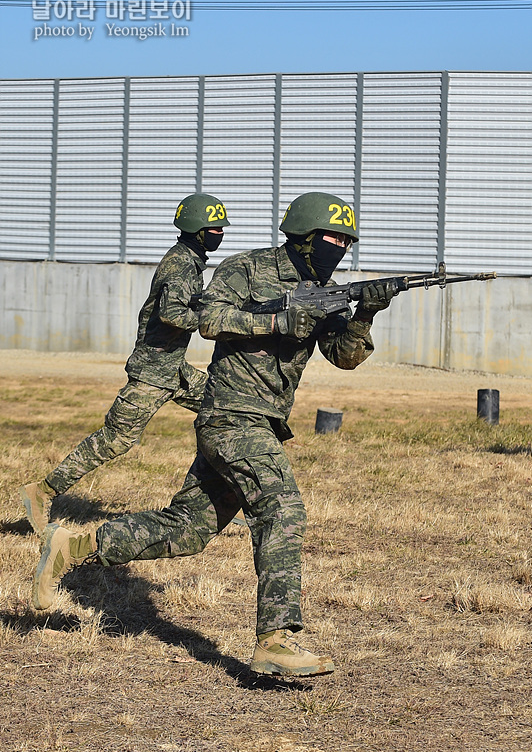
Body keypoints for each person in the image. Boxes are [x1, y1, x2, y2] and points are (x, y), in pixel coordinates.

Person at [31, 192, 395, 678]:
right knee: (281, 508)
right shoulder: (248, 269)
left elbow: (344, 356)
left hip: (261, 421)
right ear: (305, 238)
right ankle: (277, 640)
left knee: (187, 529)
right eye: (333, 238)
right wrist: (276, 320)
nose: (341, 249)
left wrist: (366, 314)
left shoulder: (324, 290)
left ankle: (71, 547)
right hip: (230, 415)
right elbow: (206, 319)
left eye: (347, 242)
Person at [21, 193, 229, 534]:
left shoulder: (188, 260)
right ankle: (41, 492)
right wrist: (213, 318)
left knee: (225, 413)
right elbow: (172, 313)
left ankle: (216, 499)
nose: (220, 233)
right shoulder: (180, 265)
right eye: (215, 227)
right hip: (152, 374)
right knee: (116, 439)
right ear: (197, 228)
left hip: (174, 370)